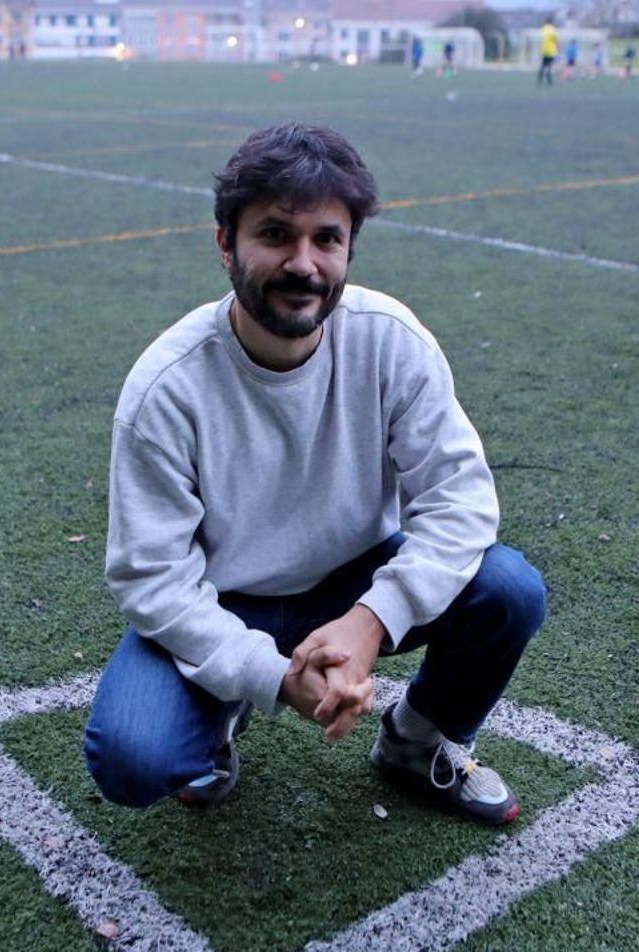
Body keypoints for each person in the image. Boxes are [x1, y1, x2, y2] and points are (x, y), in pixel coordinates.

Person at [85, 123, 547, 826]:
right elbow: (152, 578)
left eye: (326, 239)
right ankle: (220, 712)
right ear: (225, 243)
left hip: (353, 577)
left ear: (349, 248)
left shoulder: (390, 341)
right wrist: (270, 676)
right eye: (275, 234)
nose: (303, 264)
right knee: (132, 755)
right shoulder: (167, 387)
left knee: (508, 589)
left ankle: (415, 742)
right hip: (224, 598)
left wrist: (371, 620)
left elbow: (460, 502)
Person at [538, 20, 558, 85]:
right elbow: (555, 40)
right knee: (549, 67)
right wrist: (557, 48)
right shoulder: (553, 30)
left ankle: (540, 79)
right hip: (551, 51)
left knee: (543, 66)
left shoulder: (543, 29)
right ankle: (549, 80)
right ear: (551, 23)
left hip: (544, 51)